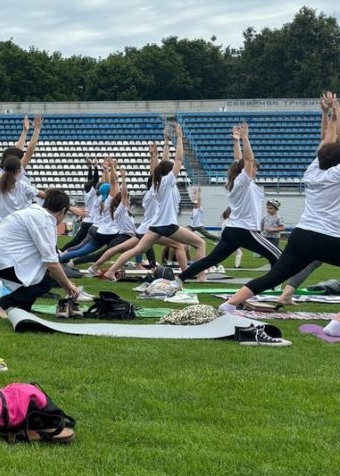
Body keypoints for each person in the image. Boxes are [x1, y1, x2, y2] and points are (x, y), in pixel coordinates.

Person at [222, 92, 340, 338]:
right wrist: (335, 113)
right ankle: (336, 324)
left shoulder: (313, 171)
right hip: (328, 237)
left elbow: (326, 141)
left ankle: (229, 304)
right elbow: (330, 141)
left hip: (302, 235)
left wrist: (328, 114)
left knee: (274, 275)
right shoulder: (336, 173)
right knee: (276, 274)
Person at [100, 123, 206, 279]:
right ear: (169, 173)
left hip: (155, 225)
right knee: (200, 244)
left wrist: (166, 141)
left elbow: (164, 162)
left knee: (136, 250)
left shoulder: (157, 183)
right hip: (168, 225)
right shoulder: (167, 181)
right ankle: (201, 277)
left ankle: (110, 272)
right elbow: (178, 159)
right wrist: (180, 138)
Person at [177, 123, 282, 280]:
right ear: (246, 170)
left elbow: (238, 160)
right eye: (255, 168)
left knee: (210, 260)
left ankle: (179, 279)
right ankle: (274, 286)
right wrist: (245, 139)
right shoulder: (242, 182)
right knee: (278, 256)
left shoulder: (239, 182)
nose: (256, 171)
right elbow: (248, 160)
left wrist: (236, 141)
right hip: (245, 231)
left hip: (232, 231)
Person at [0, 189, 83, 320]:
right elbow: (52, 263)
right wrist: (68, 285)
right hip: (0, 260)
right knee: (47, 280)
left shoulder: (33, 213)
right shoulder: (44, 221)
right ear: (63, 211)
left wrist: (66, 283)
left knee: (38, 276)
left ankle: (23, 309)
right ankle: (0, 305)